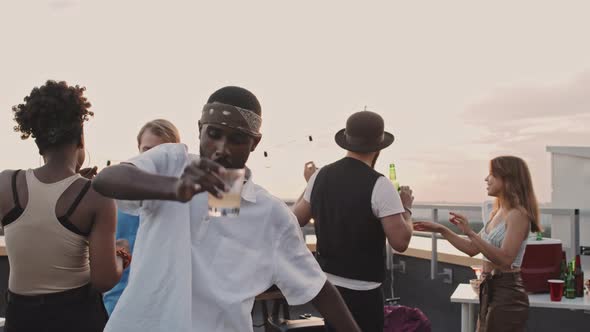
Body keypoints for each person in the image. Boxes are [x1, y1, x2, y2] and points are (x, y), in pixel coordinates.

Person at [93, 86, 361, 332]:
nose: (221, 149)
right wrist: (175, 188)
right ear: (199, 129)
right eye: (213, 134)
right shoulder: (171, 163)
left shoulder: (270, 214)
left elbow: (320, 291)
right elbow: (106, 181)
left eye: (237, 139)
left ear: (255, 143)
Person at [0, 80, 130, 332]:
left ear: (37, 139)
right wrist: (121, 255)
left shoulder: (6, 183)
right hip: (76, 318)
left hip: (20, 319)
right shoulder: (96, 195)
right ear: (80, 137)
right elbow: (103, 280)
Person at [292, 110, 415, 332]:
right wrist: (406, 208)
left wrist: (310, 184)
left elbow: (295, 219)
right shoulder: (380, 185)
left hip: (328, 287)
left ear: (347, 142)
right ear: (379, 147)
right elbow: (400, 242)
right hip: (364, 291)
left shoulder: (320, 176)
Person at [414, 156, 538, 332]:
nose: (486, 179)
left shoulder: (518, 215)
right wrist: (442, 230)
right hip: (490, 288)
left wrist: (470, 232)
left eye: (492, 174)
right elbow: (472, 249)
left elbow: (505, 259)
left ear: (508, 178)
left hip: (507, 293)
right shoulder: (497, 212)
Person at [102, 119, 181, 315]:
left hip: (168, 306)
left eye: (159, 152)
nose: (151, 159)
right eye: (146, 150)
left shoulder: (186, 199)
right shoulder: (116, 198)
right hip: (121, 304)